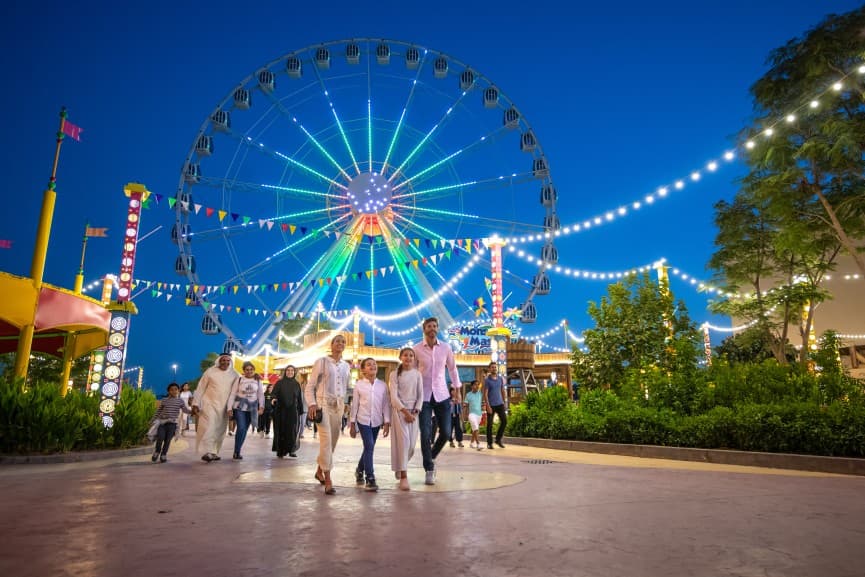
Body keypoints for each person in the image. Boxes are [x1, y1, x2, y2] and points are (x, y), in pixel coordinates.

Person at [413, 317, 462, 486]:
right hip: (424, 397)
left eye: (435, 326)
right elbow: (411, 372)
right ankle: (429, 469)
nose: (432, 328)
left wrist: (457, 389)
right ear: (424, 329)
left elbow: (453, 369)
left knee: (447, 433)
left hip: (442, 395)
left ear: (438, 329)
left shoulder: (446, 348)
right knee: (426, 434)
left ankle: (431, 456)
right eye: (429, 326)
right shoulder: (416, 349)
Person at [305, 334, 351, 495]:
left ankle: (319, 471)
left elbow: (347, 387)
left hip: (338, 407)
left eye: (343, 342)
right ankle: (328, 479)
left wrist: (346, 404)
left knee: (333, 443)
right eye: (337, 341)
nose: (341, 343)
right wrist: (312, 404)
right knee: (326, 442)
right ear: (331, 344)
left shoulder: (346, 366)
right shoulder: (322, 362)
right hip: (323, 405)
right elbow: (310, 386)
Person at [349, 358, 390, 492]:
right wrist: (352, 423)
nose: (372, 366)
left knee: (368, 447)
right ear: (363, 370)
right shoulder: (359, 385)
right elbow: (355, 404)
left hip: (377, 421)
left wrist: (387, 422)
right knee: (370, 446)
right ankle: (370, 478)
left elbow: (385, 405)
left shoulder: (382, 385)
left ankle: (359, 470)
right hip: (363, 420)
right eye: (369, 364)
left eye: (374, 364)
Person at [192, 353, 239, 462]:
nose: (225, 363)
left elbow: (242, 385)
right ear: (219, 361)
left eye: (228, 361)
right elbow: (201, 387)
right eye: (223, 360)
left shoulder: (235, 374)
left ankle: (214, 452)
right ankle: (208, 451)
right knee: (209, 426)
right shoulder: (210, 372)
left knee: (220, 430)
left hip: (225, 407)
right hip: (209, 404)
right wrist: (195, 403)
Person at [388, 347, 423, 491]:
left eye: (411, 355)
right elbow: (393, 397)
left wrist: (415, 411)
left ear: (414, 358)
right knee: (404, 443)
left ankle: (400, 466)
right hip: (400, 413)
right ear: (400, 357)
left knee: (411, 447)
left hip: (414, 413)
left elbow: (421, 394)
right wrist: (405, 412)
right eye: (405, 355)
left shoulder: (417, 374)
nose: (408, 358)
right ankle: (403, 476)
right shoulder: (394, 374)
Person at [227, 361, 264, 460]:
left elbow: (260, 394)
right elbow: (232, 394)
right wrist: (229, 408)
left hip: (252, 409)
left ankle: (237, 451)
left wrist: (261, 406)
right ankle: (236, 451)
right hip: (240, 407)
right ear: (243, 371)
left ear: (254, 370)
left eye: (251, 369)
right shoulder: (239, 380)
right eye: (247, 369)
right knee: (241, 428)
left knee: (244, 431)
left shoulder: (258, 380)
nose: (249, 371)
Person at [150, 383, 192, 463]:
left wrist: (192, 411)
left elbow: (185, 410)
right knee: (160, 438)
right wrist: (152, 420)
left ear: (178, 390)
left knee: (167, 440)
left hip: (172, 424)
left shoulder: (180, 401)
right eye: (172, 390)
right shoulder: (164, 400)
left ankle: (163, 455)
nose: (174, 391)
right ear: (168, 391)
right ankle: (157, 452)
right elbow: (158, 411)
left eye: (176, 389)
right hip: (162, 423)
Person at [272, 365, 303, 458]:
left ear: (294, 372)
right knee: (281, 430)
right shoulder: (279, 383)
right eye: (288, 370)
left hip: (293, 411)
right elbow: (274, 393)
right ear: (285, 372)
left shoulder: (297, 384)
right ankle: (281, 450)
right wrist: (273, 399)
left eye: (292, 370)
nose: (290, 372)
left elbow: (299, 398)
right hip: (281, 411)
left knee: (292, 430)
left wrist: (301, 410)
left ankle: (291, 450)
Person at [484, 362, 508, 449]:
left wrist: (504, 402)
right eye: (492, 367)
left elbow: (502, 390)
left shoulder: (500, 379)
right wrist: (488, 406)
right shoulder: (487, 380)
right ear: (490, 369)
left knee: (504, 421)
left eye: (495, 367)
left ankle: (498, 440)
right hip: (491, 405)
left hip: (500, 403)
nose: (494, 368)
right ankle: (489, 443)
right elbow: (485, 394)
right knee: (489, 424)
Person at [464, 380, 484, 450]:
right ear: (472, 386)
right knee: (476, 428)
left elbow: (483, 385)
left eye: (478, 384)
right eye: (475, 384)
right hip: (471, 414)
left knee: (474, 429)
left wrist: (485, 377)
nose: (477, 386)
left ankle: (471, 443)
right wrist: (466, 414)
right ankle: (478, 444)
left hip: (479, 414)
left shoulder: (479, 393)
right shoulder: (468, 395)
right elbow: (465, 405)